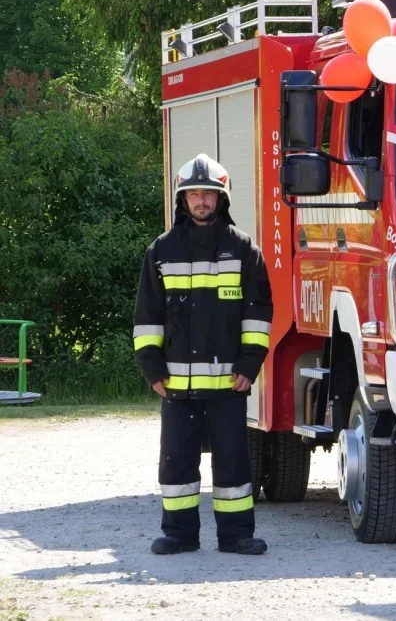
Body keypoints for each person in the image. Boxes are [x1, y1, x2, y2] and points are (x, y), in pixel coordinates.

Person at [132, 153, 273, 556]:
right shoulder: (160, 251)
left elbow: (258, 313)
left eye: (208, 194)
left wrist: (250, 365)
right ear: (182, 199)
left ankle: (236, 536)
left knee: (232, 465)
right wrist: (152, 369)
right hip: (176, 386)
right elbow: (147, 317)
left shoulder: (245, 250)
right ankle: (179, 535)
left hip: (229, 384)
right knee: (176, 464)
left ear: (222, 198)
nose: (201, 201)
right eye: (193, 193)